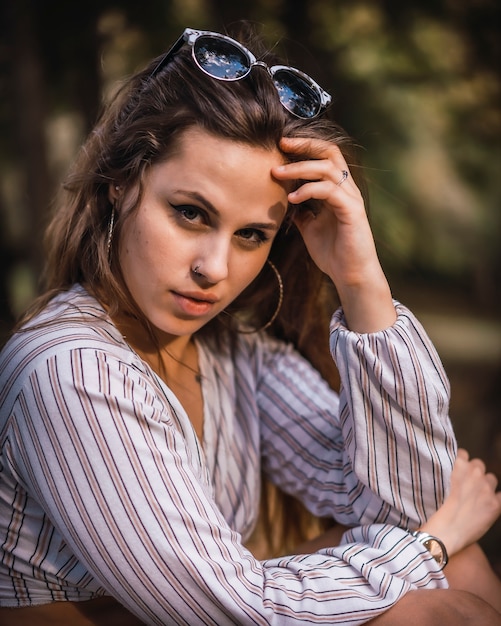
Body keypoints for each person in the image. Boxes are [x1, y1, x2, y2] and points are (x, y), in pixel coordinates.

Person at [0, 23, 500, 626]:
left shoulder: (234, 355)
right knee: (448, 594)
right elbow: (233, 612)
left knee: (460, 567)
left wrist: (361, 279)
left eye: (251, 236)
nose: (214, 268)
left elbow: (408, 498)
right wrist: (429, 547)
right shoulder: (71, 371)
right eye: (189, 213)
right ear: (120, 182)